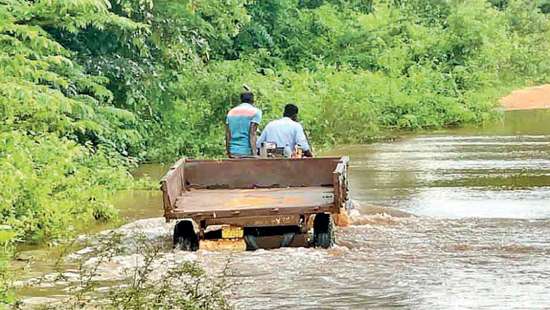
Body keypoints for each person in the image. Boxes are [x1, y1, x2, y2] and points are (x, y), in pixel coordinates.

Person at [225, 91, 262, 158]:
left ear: (241, 100)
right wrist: (254, 154)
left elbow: (228, 134)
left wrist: (228, 152)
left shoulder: (231, 112)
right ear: (253, 100)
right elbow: (252, 133)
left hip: (233, 151)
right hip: (247, 152)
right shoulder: (256, 112)